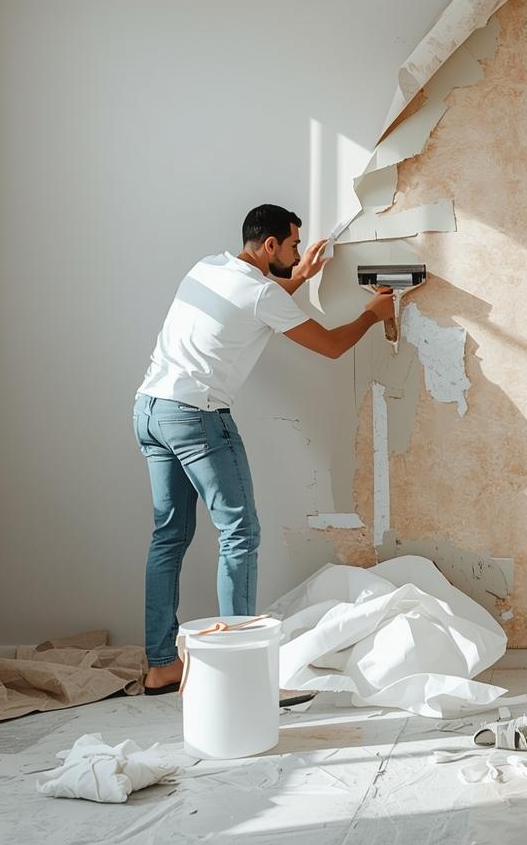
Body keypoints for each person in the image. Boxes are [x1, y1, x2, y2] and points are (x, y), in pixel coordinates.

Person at [133, 203, 393, 698]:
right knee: (240, 535)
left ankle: (162, 666)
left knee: (168, 538)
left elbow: (254, 306)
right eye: (294, 245)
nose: (298, 253)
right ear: (270, 245)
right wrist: (372, 314)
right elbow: (333, 346)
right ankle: (244, 675)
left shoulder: (209, 268)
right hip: (196, 418)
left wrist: (303, 276)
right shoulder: (258, 293)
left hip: (151, 410)